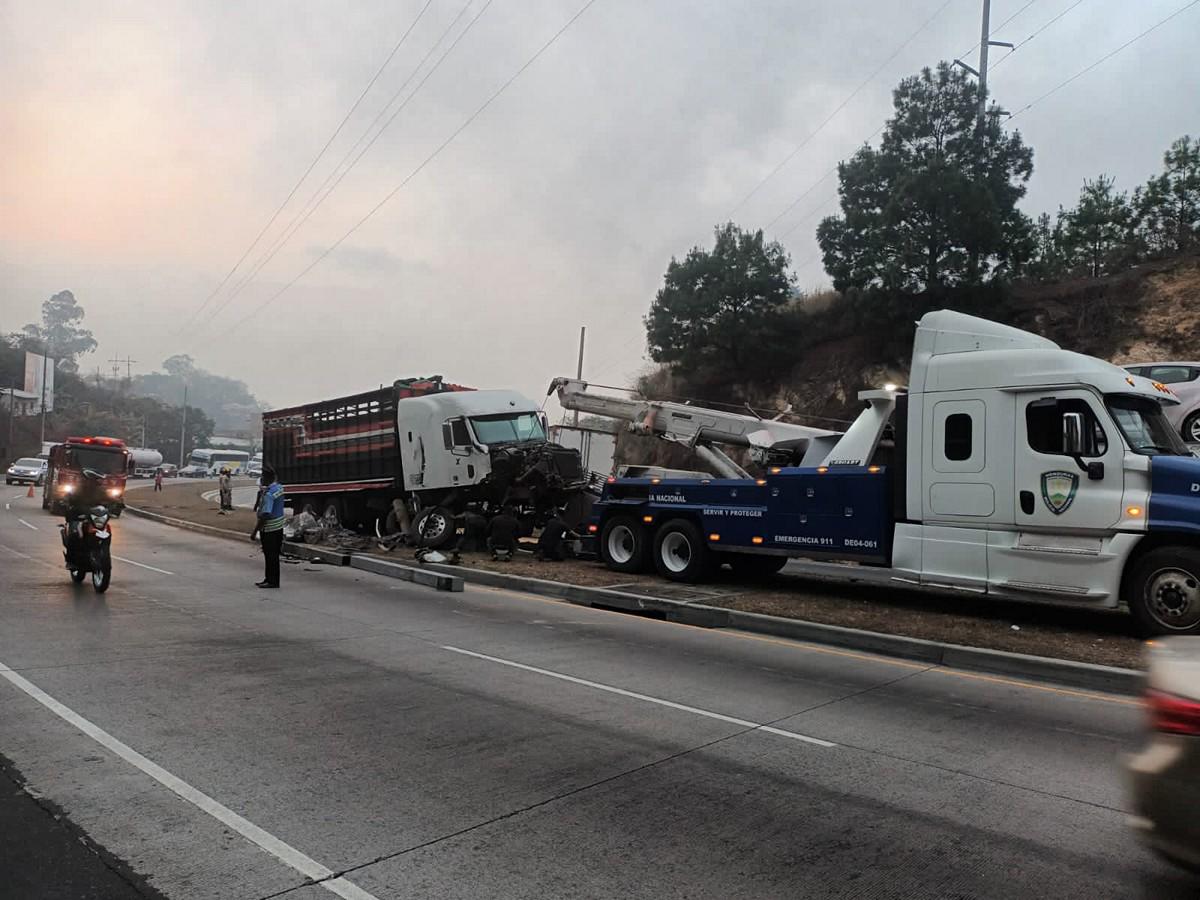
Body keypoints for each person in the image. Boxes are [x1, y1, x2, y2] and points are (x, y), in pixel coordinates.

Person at [250, 466, 285, 588]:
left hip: (269, 528)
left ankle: (272, 581)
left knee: (270, 556)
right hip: (279, 527)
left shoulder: (269, 494)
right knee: (274, 555)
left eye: (263, 477)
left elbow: (265, 514)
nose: (262, 479)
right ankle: (270, 579)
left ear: (267, 478)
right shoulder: (279, 488)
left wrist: (255, 531)